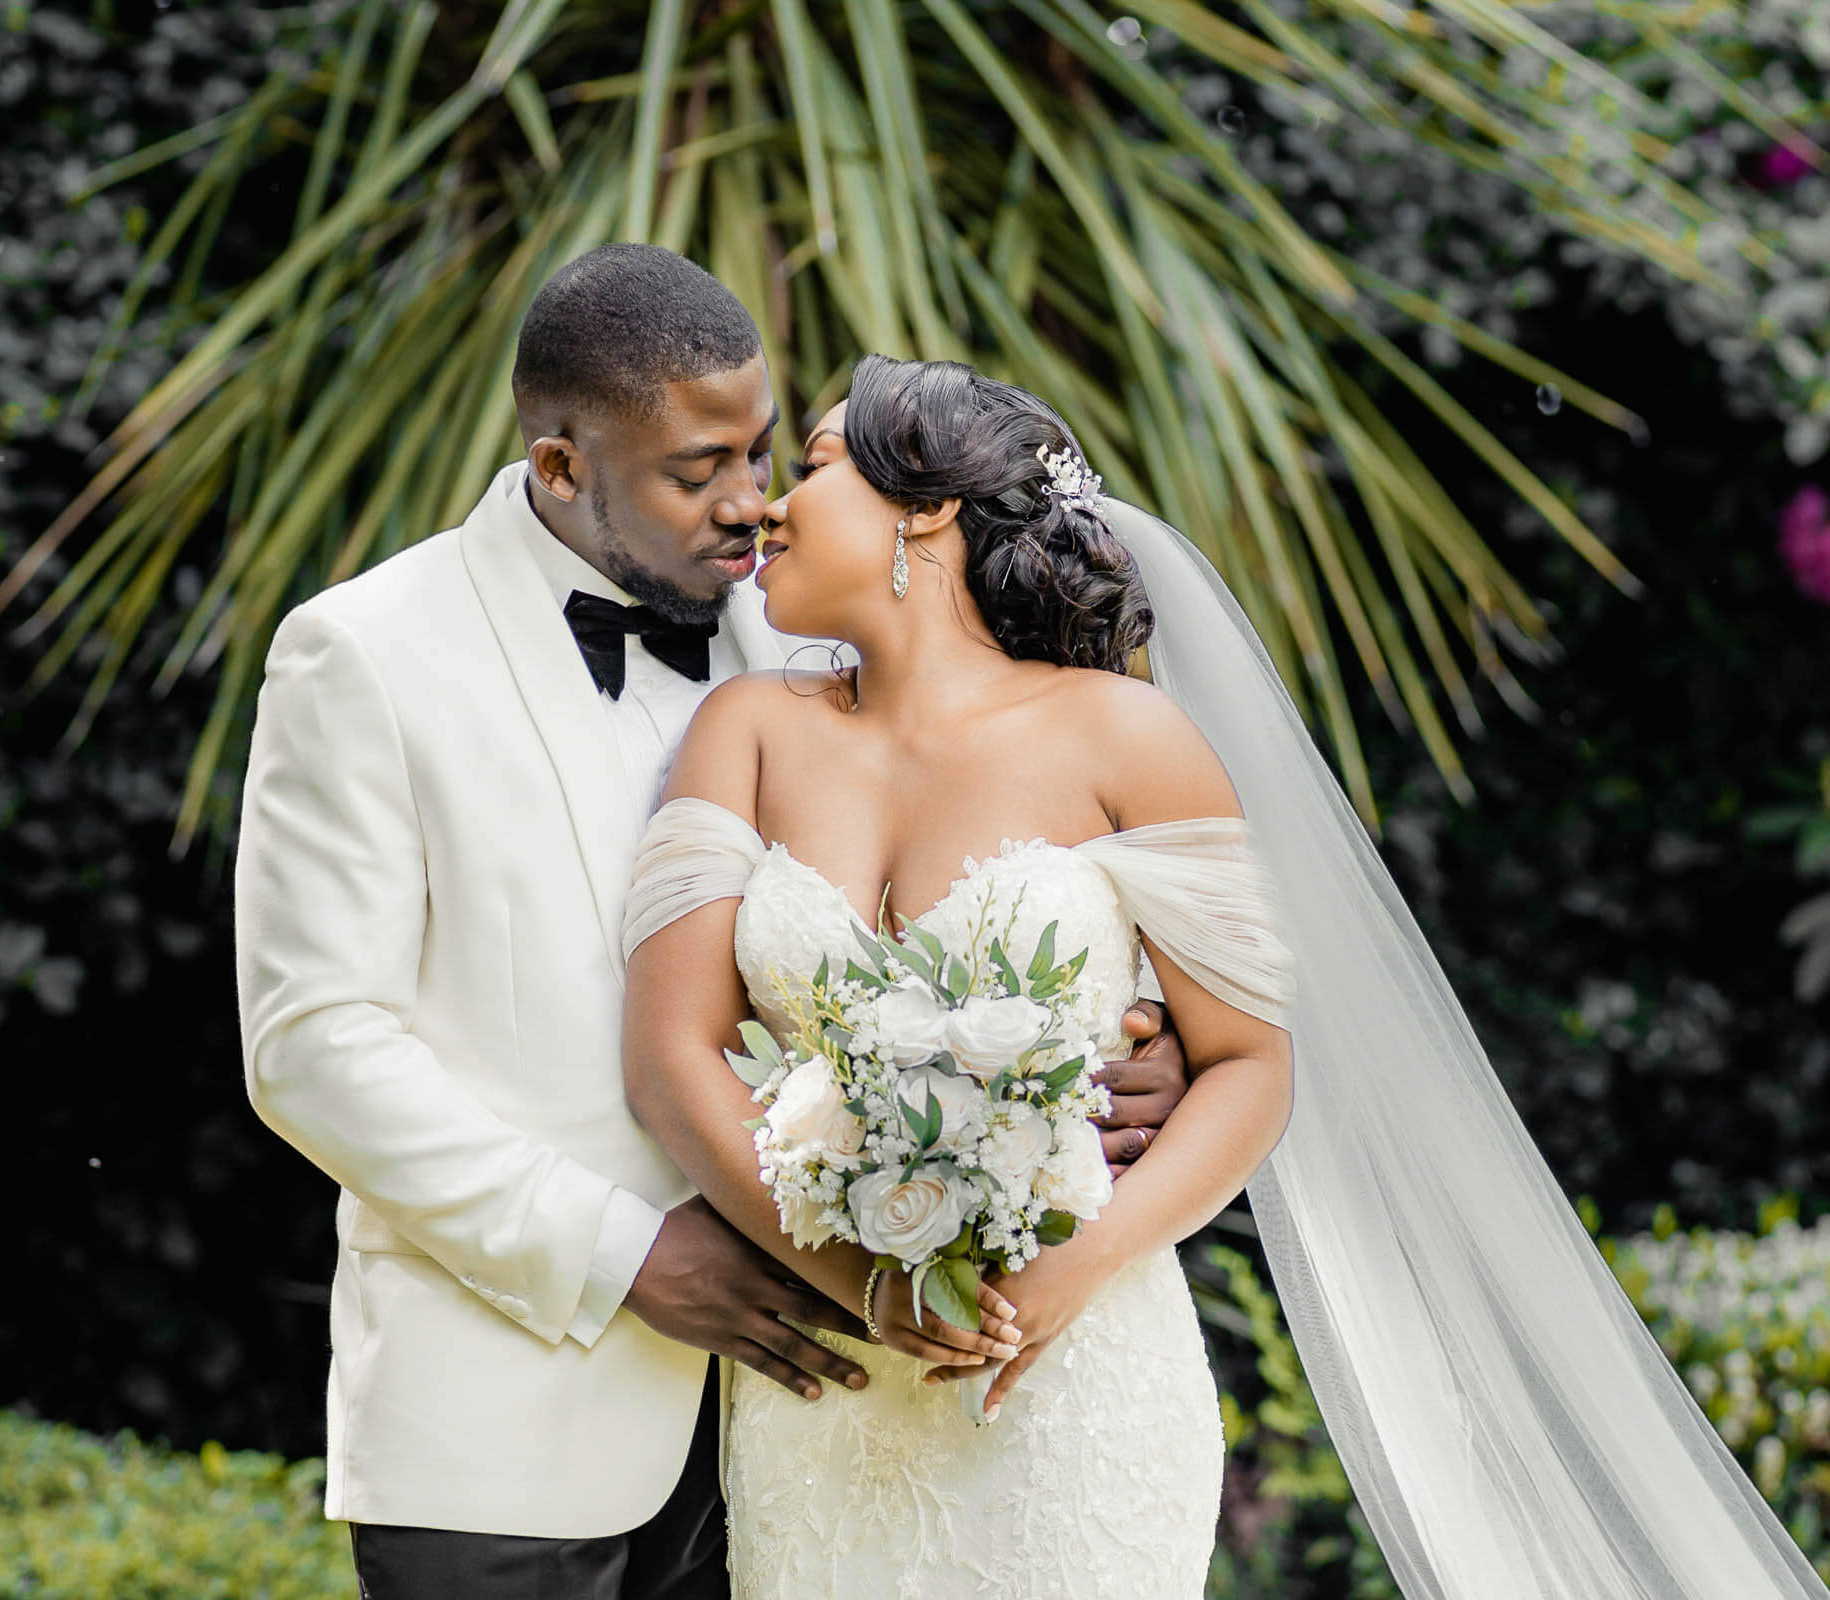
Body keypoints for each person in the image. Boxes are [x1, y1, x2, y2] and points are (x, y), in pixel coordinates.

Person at [620, 354, 1830, 1599]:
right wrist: (866, 1285)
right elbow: (670, 1056)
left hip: (1070, 1376)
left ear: (923, 508)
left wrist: (1067, 1273)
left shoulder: (1125, 735)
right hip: (824, 1389)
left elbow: (1249, 1065)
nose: (768, 504)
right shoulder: (744, 728)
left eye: (813, 466)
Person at [233, 246, 1184, 1600]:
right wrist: (618, 1255)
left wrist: (1115, 1044)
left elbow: (976, 868)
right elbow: (314, 1045)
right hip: (509, 1416)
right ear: (562, 466)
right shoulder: (364, 652)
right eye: (699, 470)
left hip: (813, 1432)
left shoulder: (817, 627)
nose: (752, 502)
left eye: (761, 450)